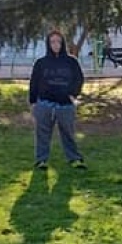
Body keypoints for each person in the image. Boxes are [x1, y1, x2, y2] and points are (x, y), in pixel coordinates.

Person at [29, 30, 86, 169]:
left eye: (58, 42)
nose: (56, 45)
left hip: (65, 105)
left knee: (68, 133)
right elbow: (34, 82)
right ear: (48, 44)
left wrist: (73, 94)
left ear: (63, 43)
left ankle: (74, 159)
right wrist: (32, 102)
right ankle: (41, 160)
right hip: (44, 104)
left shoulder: (71, 62)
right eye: (52, 42)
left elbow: (79, 79)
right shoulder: (41, 63)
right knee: (42, 134)